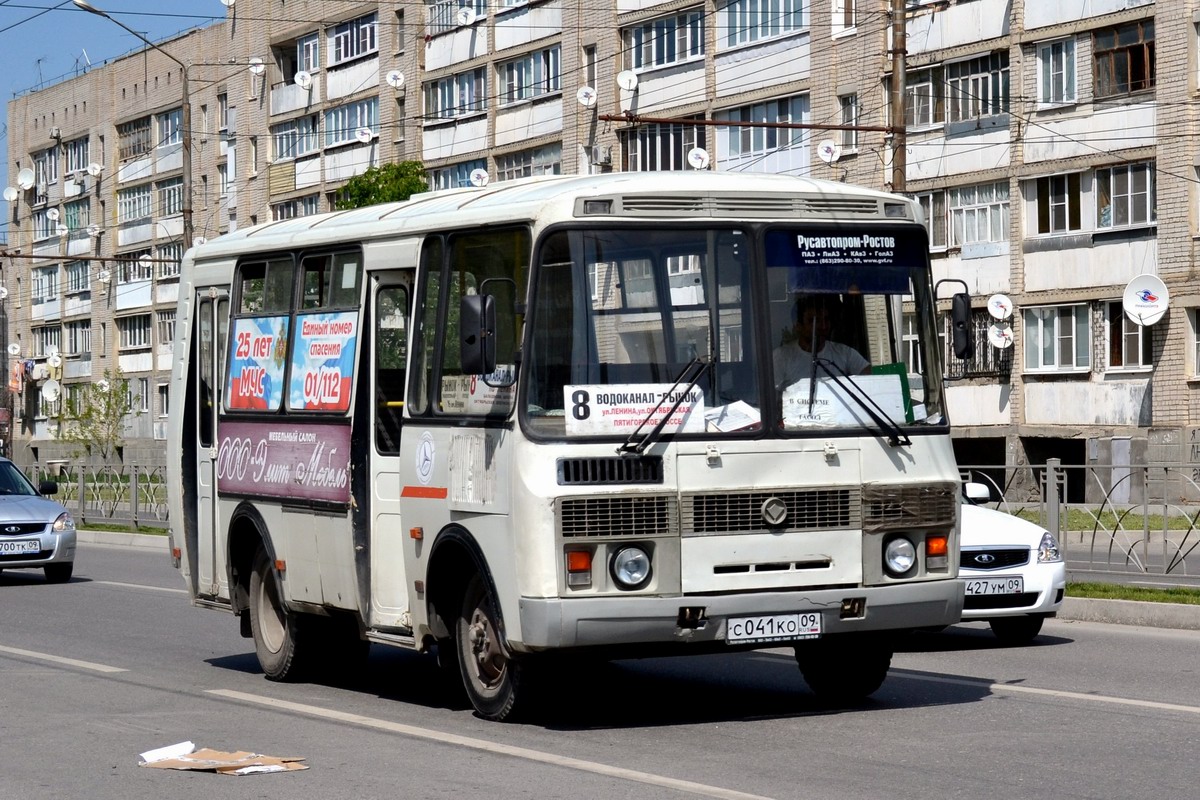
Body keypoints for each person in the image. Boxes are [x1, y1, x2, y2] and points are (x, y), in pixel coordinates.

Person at [773, 294, 870, 390]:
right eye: (814, 321)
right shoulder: (781, 357)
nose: (823, 326)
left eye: (826, 319)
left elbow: (871, 380)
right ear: (798, 326)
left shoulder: (844, 353)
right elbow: (773, 397)